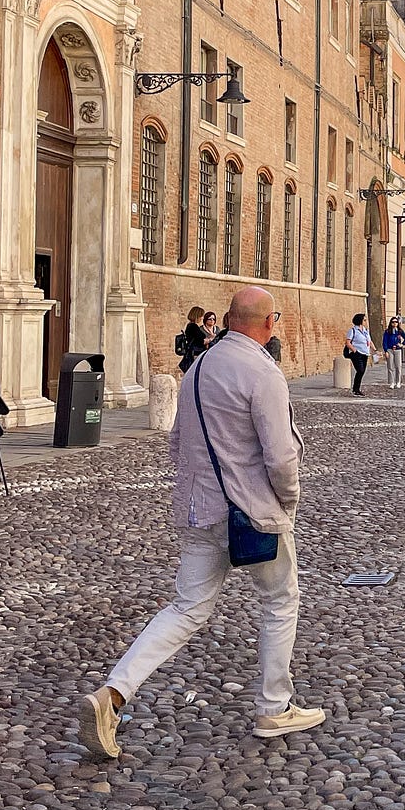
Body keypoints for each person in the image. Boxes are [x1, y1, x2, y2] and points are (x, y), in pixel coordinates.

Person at [77, 287, 321, 756]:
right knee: (280, 600)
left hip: (198, 510)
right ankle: (274, 706)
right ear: (270, 322)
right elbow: (282, 456)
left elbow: (178, 445)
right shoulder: (263, 373)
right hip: (252, 513)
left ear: (228, 319)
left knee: (186, 609)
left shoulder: (196, 370)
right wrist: (286, 505)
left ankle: (112, 694)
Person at [344, 313, 372, 396]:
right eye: (364, 320)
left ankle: (356, 389)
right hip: (357, 353)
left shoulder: (365, 331)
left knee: (362, 371)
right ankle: (356, 389)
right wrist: (355, 350)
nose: (365, 321)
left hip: (365, 353)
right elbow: (347, 342)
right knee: (360, 370)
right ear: (360, 320)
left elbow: (369, 341)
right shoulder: (352, 330)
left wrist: (374, 349)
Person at [177, 306, 207, 373]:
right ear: (197, 316)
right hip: (196, 353)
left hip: (194, 352)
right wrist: (210, 339)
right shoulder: (193, 327)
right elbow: (200, 341)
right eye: (201, 316)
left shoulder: (190, 325)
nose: (202, 318)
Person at [382, 316, 405, 389]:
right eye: (393, 322)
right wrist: (386, 350)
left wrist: (402, 344)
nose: (394, 323)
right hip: (390, 350)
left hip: (398, 350)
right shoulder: (387, 331)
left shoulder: (400, 331)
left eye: (396, 322)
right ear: (391, 323)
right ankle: (391, 382)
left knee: (398, 366)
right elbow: (384, 342)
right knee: (390, 366)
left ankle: (398, 382)